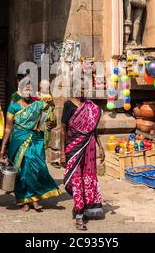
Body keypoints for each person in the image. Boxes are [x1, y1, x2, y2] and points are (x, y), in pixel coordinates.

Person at [0, 80, 61, 212]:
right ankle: (24, 200)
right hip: (18, 141)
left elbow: (50, 119)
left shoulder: (39, 105)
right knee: (21, 171)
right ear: (19, 91)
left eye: (30, 90)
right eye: (25, 90)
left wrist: (51, 117)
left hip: (36, 140)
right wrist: (3, 146)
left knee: (37, 168)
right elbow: (8, 128)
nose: (28, 93)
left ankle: (35, 197)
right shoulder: (13, 107)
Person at [60, 92, 105, 230]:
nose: (82, 91)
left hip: (89, 146)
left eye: (85, 87)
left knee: (86, 177)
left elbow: (93, 129)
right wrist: (62, 152)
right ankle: (79, 212)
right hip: (73, 146)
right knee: (75, 177)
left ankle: (80, 212)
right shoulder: (68, 105)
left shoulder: (90, 106)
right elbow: (63, 129)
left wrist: (100, 146)